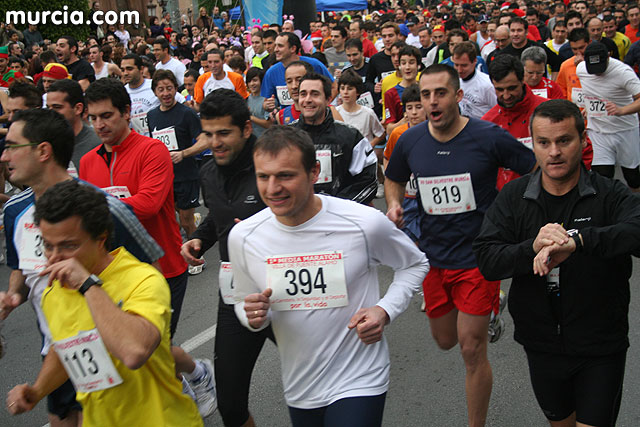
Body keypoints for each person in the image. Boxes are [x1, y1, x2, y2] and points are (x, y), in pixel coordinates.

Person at [229, 125, 429, 427]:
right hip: (301, 384)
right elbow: (242, 301)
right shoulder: (243, 236)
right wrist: (251, 315)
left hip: (360, 375)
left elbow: (415, 264)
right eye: (263, 176)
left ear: (314, 172)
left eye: (285, 175)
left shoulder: (363, 223)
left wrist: (383, 310)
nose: (272, 188)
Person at [384, 64, 536, 427]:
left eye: (440, 93)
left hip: (479, 255)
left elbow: (532, 168)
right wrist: (392, 203)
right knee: (445, 340)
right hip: (433, 257)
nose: (432, 101)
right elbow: (393, 177)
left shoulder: (488, 136)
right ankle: (489, 312)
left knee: (471, 348)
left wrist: (511, 211)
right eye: (425, 94)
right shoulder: (410, 140)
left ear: (458, 96)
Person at [473, 99, 640, 427]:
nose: (554, 153)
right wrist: (529, 248)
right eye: (543, 143)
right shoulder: (515, 197)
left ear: (583, 139)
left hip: (600, 345)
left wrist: (579, 242)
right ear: (532, 144)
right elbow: (487, 258)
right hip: (542, 345)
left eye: (564, 140)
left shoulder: (610, 195)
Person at [0, 108, 164, 427]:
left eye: (12, 146)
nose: (4, 156)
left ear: (43, 151)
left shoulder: (103, 206)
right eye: (49, 246)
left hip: (122, 343)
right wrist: (12, 296)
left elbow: (150, 270)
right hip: (62, 345)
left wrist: (148, 327)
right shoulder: (13, 211)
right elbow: (23, 266)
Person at [5, 180, 203, 427]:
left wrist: (87, 286)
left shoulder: (142, 279)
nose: (54, 258)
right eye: (47, 245)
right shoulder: (55, 290)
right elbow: (66, 346)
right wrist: (36, 391)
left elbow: (134, 352)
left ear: (101, 239)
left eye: (69, 246)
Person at [79, 78, 217, 418]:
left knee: (152, 346)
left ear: (127, 113)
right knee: (140, 347)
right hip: (113, 271)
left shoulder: (152, 150)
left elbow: (149, 204)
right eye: (93, 118)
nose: (100, 125)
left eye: (107, 115)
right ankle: (192, 377)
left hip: (162, 266)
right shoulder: (87, 162)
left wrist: (95, 205)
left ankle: (194, 380)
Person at [180, 88, 273, 427]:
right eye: (208, 133)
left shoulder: (271, 167)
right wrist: (199, 240)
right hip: (236, 293)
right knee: (230, 405)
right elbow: (218, 218)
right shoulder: (208, 173)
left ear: (247, 129)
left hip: (284, 292)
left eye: (223, 133)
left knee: (318, 384)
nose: (214, 142)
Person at [294, 73, 378, 204]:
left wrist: (336, 207)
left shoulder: (351, 136)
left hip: (340, 218)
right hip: (297, 217)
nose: (308, 99)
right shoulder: (285, 137)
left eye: (315, 94)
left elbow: (367, 180)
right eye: (303, 94)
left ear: (328, 99)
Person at [147, 69, 208, 240]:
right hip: (165, 176)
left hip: (186, 175)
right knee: (176, 219)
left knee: (186, 222)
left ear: (175, 89)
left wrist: (183, 154)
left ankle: (196, 256)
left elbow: (205, 141)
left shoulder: (186, 113)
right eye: (161, 89)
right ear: (155, 92)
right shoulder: (152, 116)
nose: (166, 93)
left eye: (169, 88)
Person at [577, 41, 640, 190]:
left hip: (625, 130)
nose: (597, 73)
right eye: (593, 69)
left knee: (632, 177)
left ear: (608, 57)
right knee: (602, 176)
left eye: (600, 68)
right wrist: (588, 106)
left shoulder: (623, 72)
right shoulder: (581, 69)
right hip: (598, 130)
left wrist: (622, 110)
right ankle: (607, 209)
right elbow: (592, 92)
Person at [483, 54, 548, 190]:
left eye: (512, 88)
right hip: (505, 200)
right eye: (499, 90)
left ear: (522, 80)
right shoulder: (488, 122)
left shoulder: (548, 111)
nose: (506, 95)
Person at [382, 84, 427, 243]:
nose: (414, 112)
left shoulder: (435, 132)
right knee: (409, 242)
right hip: (406, 197)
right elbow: (387, 157)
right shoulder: (398, 133)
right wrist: (392, 177)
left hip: (427, 197)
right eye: (409, 108)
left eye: (418, 107)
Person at [261, 32, 333, 111]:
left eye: (280, 46)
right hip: (288, 120)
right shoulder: (271, 73)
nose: (275, 50)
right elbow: (266, 101)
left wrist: (323, 107)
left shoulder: (314, 64)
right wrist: (268, 106)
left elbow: (334, 86)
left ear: (293, 48)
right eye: (275, 46)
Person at [46, 79, 101, 175]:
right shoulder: (45, 143)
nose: (51, 113)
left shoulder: (97, 144)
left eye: (57, 107)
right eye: (48, 108)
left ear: (78, 108)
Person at [121, 53, 184, 137]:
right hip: (136, 143)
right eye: (123, 70)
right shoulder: (122, 92)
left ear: (141, 69)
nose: (125, 73)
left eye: (129, 69)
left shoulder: (155, 86)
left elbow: (182, 102)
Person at [336, 69, 385, 148]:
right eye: (342, 88)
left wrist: (369, 146)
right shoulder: (335, 113)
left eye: (350, 89)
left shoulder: (368, 113)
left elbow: (380, 134)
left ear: (358, 91)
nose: (345, 92)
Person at [452, 42, 497, 119]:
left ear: (474, 61)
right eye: (456, 65)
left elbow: (499, 111)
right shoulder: (455, 81)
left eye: (464, 65)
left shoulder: (487, 85)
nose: (459, 70)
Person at [246, 67, 272, 137]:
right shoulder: (246, 99)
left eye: (255, 80)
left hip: (266, 140)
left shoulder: (268, 100)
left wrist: (250, 117)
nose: (252, 84)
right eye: (249, 81)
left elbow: (269, 124)